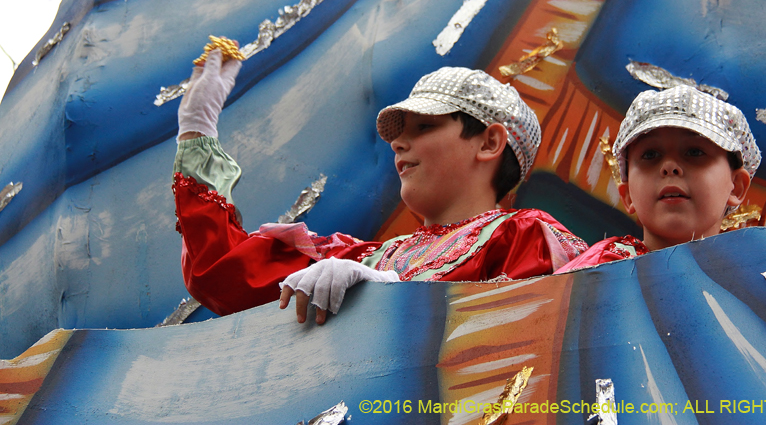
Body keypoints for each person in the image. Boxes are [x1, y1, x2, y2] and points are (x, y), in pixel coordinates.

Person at [173, 52, 587, 322]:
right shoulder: (359, 259)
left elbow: (536, 339)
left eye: (424, 126)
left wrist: (391, 296)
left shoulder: (527, 236)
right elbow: (223, 274)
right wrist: (196, 131)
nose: (398, 143)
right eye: (398, 133)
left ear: (490, 142)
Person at [555, 85, 761, 273]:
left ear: (736, 187)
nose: (669, 166)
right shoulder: (587, 278)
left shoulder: (762, 286)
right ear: (627, 196)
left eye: (695, 152)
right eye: (650, 155)